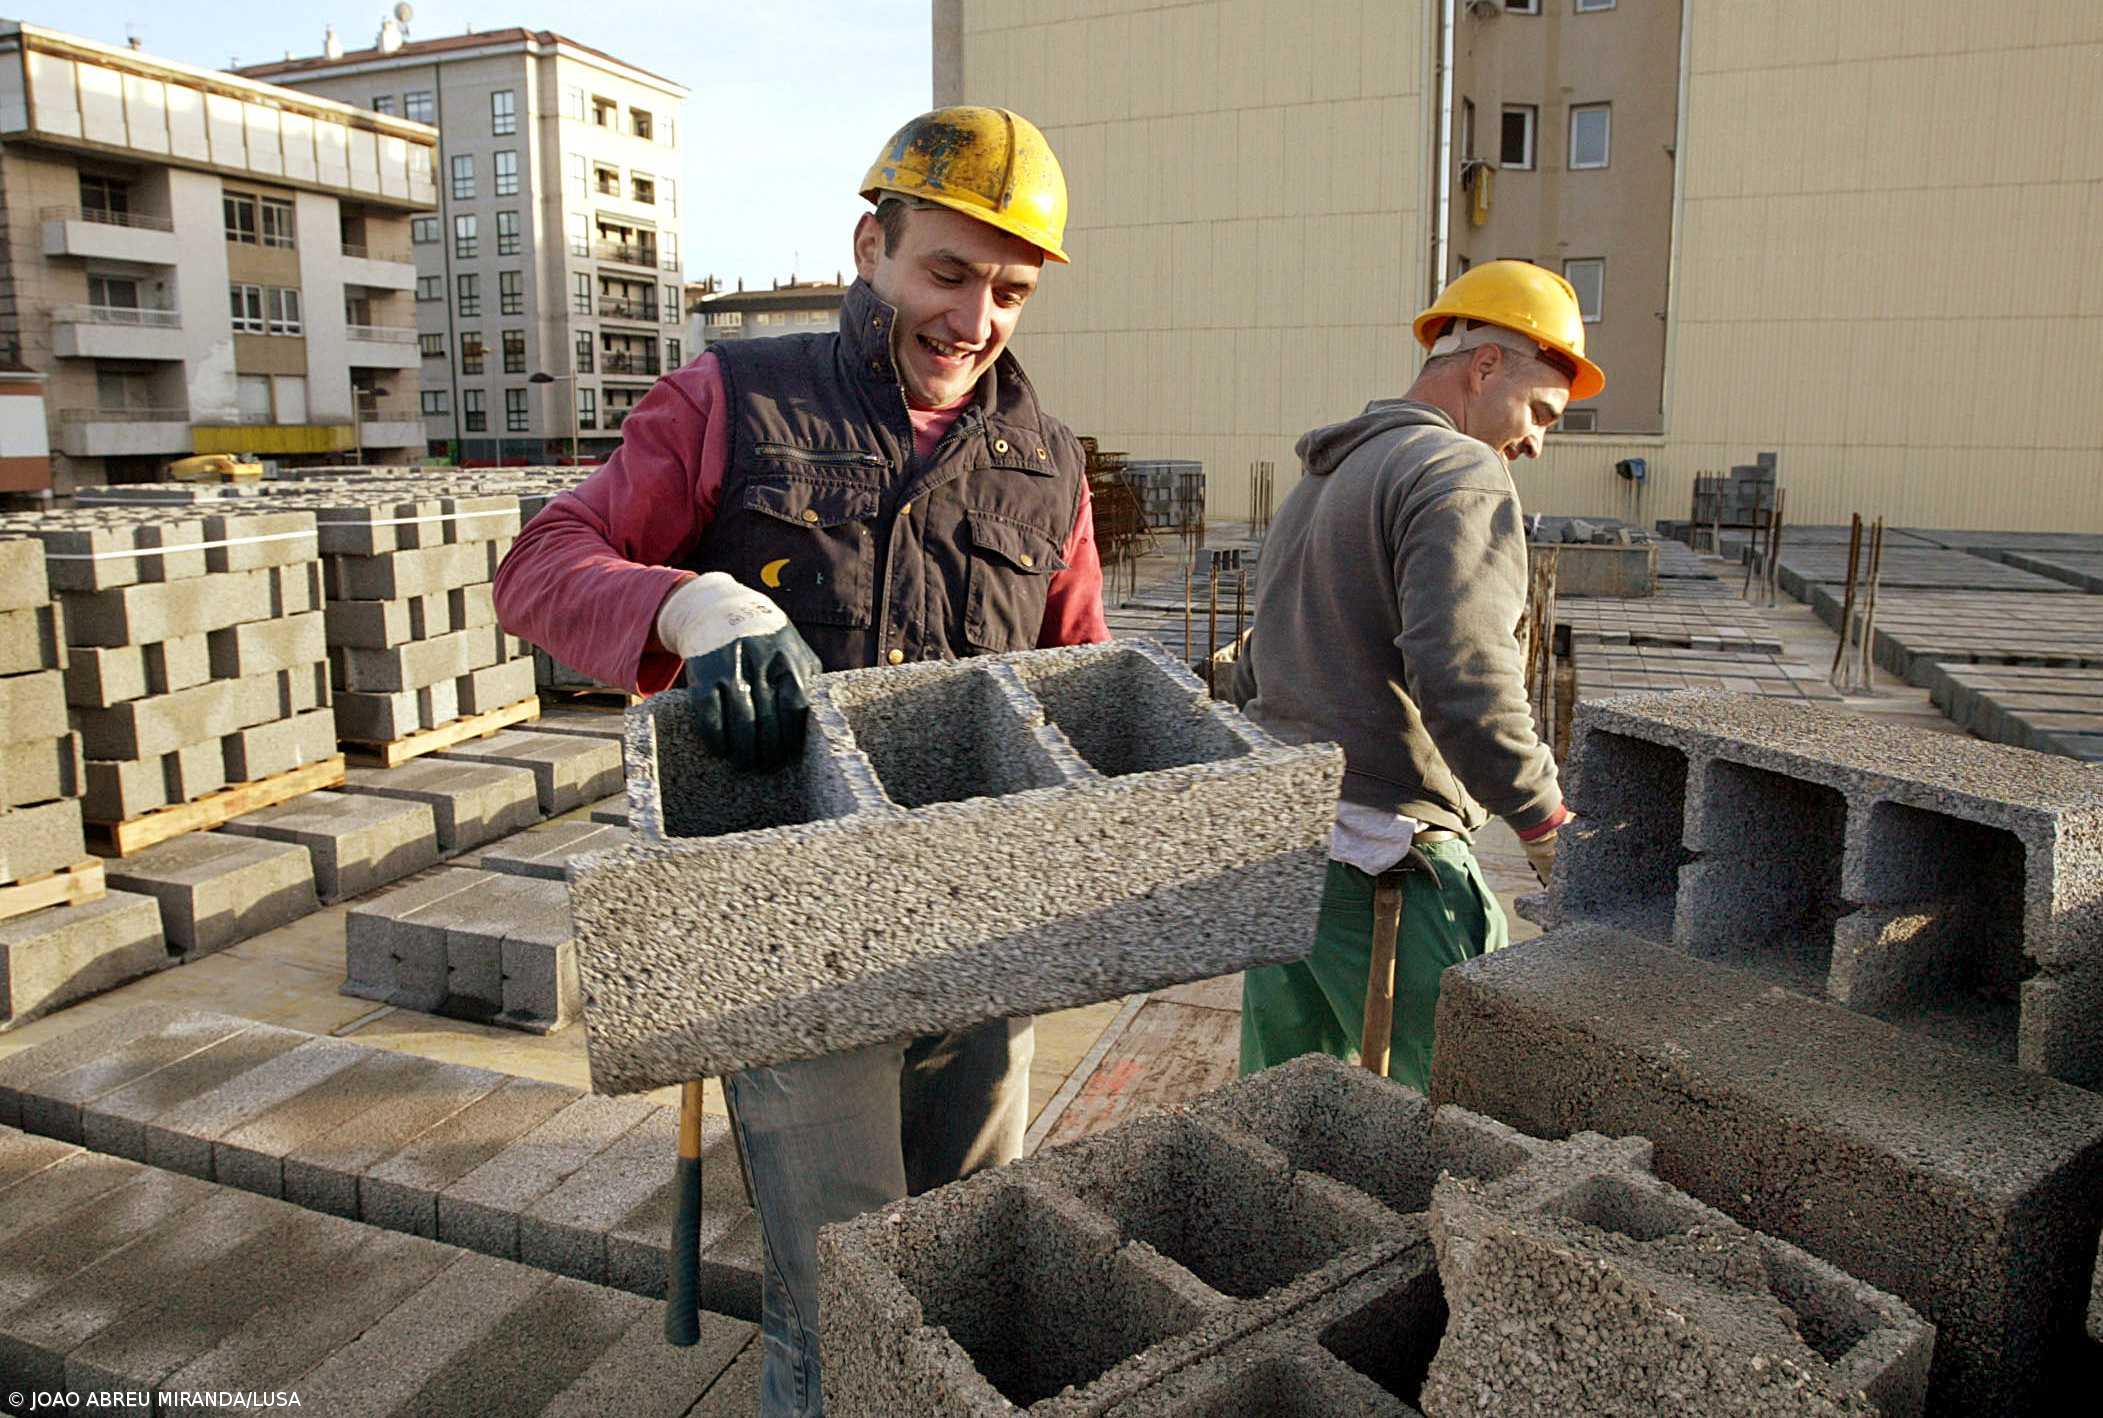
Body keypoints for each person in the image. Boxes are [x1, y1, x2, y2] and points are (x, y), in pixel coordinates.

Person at [492, 106, 1108, 1416]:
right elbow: (539, 567)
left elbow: (1080, 672)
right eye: (945, 272)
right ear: (870, 247)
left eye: (1008, 289)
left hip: (984, 936)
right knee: (842, 1288)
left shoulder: (1044, 466)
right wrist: (685, 606)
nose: (974, 315)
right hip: (797, 938)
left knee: (953, 1262)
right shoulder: (732, 398)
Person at [1225, 260, 1601, 1094]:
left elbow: (1262, 654)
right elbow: (1465, 669)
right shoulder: (1459, 472)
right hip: (1389, 870)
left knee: (1285, 1118)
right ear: (1485, 365)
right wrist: (1542, 819)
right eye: (1541, 412)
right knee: (1459, 1106)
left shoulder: (1326, 475)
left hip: (1287, 856)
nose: (1536, 441)